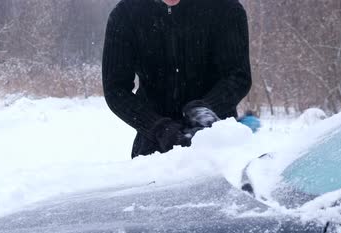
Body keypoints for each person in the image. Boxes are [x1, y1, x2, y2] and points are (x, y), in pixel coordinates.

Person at [102, 0, 252, 158]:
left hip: (218, 144)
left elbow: (238, 75)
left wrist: (206, 107)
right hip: (153, 151)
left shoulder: (225, 8)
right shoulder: (125, 14)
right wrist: (157, 127)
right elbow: (115, 90)